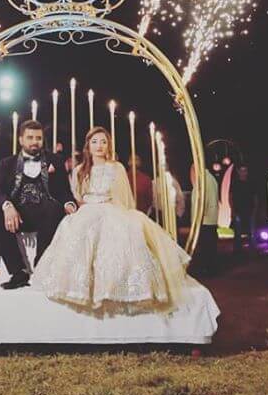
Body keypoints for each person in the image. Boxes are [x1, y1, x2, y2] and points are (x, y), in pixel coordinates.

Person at [32, 127, 190, 313]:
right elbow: (77, 195)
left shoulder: (117, 167)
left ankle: (117, 288)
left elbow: (124, 198)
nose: (99, 146)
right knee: (76, 231)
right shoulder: (79, 170)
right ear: (88, 146)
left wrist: (118, 212)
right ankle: (81, 288)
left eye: (103, 142)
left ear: (109, 146)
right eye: (95, 142)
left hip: (111, 208)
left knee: (123, 234)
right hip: (87, 210)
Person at [0, 120, 77, 290]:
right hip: (17, 215)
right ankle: (18, 272)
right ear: (21, 140)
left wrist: (69, 204)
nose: (35, 141)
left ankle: (41, 267)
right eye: (30, 137)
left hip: (45, 215)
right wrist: (7, 206)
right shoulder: (7, 163)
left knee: (54, 208)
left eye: (38, 138)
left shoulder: (55, 161)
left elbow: (64, 191)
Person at [190, 162, 219, 276]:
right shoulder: (206, 179)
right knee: (208, 246)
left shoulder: (205, 180)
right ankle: (208, 268)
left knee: (207, 247)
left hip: (205, 220)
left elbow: (204, 201)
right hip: (206, 219)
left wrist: (199, 217)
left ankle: (207, 269)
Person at [230, 164, 254, 255]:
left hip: (249, 210)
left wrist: (254, 210)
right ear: (238, 171)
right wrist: (232, 210)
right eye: (242, 170)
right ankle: (237, 251)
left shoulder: (251, 183)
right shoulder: (235, 183)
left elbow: (255, 197)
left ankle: (252, 250)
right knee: (238, 232)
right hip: (238, 211)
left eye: (245, 170)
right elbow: (230, 197)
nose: (244, 173)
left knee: (251, 231)